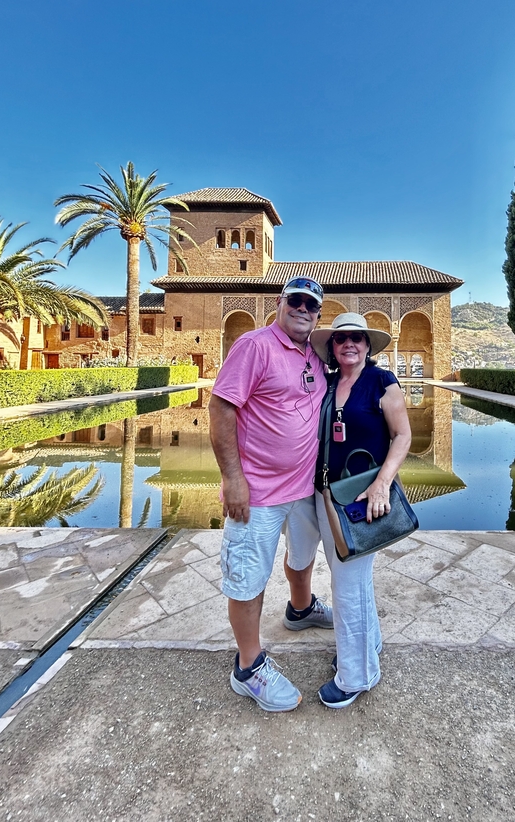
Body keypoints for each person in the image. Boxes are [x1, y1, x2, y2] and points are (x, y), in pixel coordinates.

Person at [209, 276, 333, 712]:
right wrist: (233, 478)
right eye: (296, 301)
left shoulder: (314, 355)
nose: (303, 309)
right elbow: (222, 406)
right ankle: (248, 666)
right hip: (258, 491)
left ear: (319, 314)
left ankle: (300, 609)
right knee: (247, 575)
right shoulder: (255, 345)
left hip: (303, 488)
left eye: (311, 305)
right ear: (281, 304)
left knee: (302, 556)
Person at [310, 312, 412, 708]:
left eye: (357, 338)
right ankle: (367, 644)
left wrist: (382, 482)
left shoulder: (382, 382)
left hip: (363, 497)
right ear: (332, 348)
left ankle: (357, 675)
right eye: (341, 339)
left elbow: (403, 435)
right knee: (350, 577)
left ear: (368, 346)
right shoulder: (331, 382)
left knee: (347, 586)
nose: (349, 344)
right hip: (329, 496)